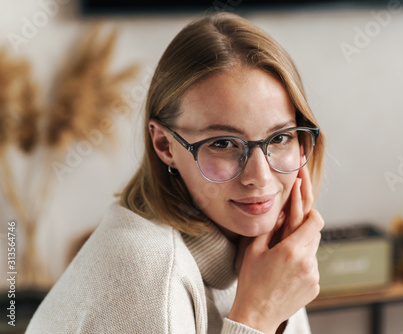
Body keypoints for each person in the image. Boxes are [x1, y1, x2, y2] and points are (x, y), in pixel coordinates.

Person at [26, 12, 325, 334]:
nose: (260, 176)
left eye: (280, 138)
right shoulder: (149, 269)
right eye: (223, 143)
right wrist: (257, 317)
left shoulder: (262, 255)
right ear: (165, 145)